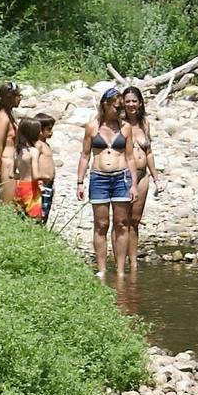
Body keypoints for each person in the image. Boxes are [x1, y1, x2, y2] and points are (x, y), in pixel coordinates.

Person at [75, 86, 137, 280]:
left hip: (121, 177)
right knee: (101, 224)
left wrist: (134, 184)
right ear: (105, 105)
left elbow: (130, 157)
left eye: (121, 108)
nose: (119, 111)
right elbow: (85, 155)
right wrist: (79, 182)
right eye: (116, 107)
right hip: (99, 178)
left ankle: (119, 270)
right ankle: (101, 269)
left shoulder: (125, 128)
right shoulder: (92, 127)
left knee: (122, 223)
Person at [122, 86, 157, 268]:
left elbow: (149, 152)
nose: (131, 105)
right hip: (125, 176)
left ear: (140, 103)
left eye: (134, 101)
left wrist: (156, 177)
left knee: (135, 221)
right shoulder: (118, 123)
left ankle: (133, 263)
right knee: (122, 220)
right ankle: (121, 262)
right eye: (127, 101)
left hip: (143, 176)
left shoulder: (144, 123)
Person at [9, 117, 45, 220]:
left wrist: (22, 175)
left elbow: (11, 175)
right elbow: (36, 175)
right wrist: (46, 177)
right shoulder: (33, 151)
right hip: (31, 188)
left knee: (20, 218)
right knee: (35, 219)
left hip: (20, 187)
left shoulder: (18, 151)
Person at [0, 81, 22, 191]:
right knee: (8, 202)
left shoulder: (10, 115)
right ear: (9, 97)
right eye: (18, 95)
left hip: (12, 162)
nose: (20, 98)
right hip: (6, 162)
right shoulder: (3, 118)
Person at [32, 112, 59, 221]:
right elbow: (33, 162)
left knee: (46, 209)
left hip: (49, 184)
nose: (51, 132)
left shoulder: (46, 144)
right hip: (41, 183)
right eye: (48, 129)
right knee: (39, 211)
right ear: (39, 130)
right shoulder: (37, 145)